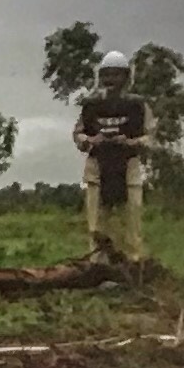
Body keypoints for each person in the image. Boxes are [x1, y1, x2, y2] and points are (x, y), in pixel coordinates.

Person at [72, 46, 153, 262]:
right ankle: (98, 265)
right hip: (98, 169)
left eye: (116, 74)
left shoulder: (137, 105)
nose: (111, 79)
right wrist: (90, 140)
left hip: (129, 168)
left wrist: (129, 142)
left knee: (131, 219)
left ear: (126, 76)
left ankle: (133, 264)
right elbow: (78, 134)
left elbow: (150, 137)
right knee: (97, 222)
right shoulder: (91, 105)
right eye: (107, 74)